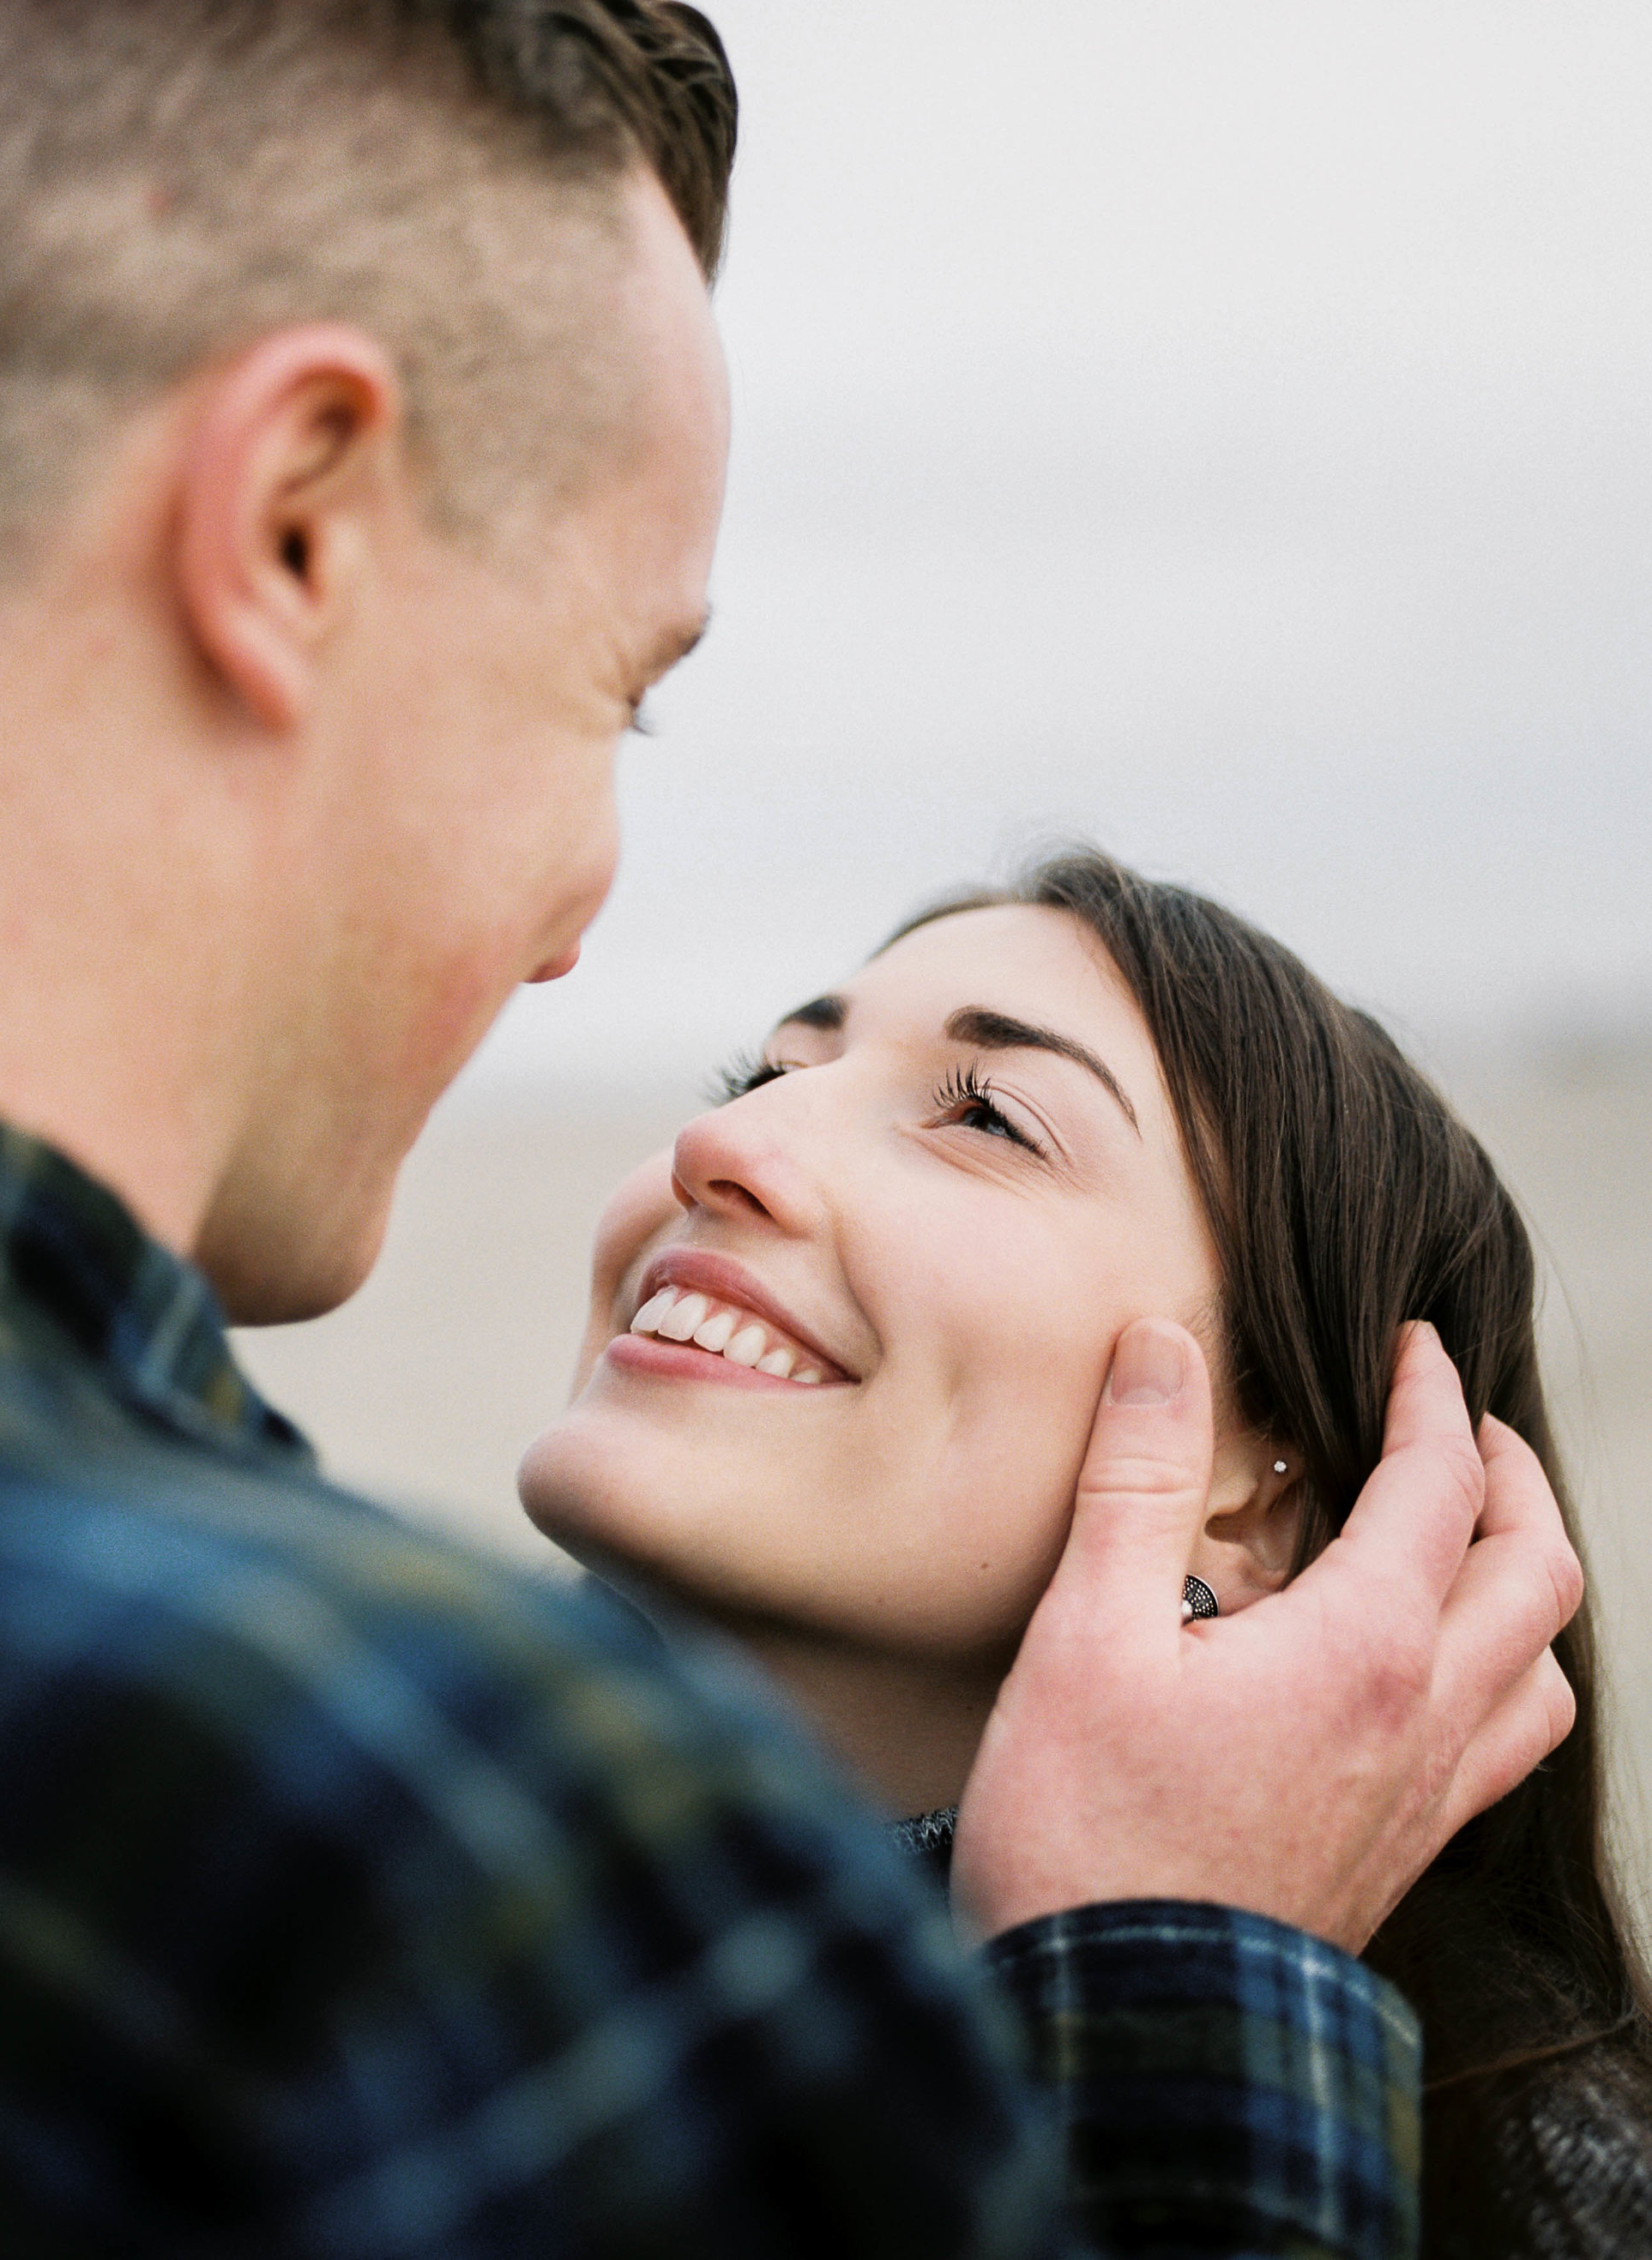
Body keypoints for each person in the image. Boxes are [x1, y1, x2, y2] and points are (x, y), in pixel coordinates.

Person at [0, 0, 1580, 2252]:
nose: (718, 1126)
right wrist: (1199, 1996)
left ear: (1278, 1479)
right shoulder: (441, 1846)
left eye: (982, 1110)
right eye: (616, 690)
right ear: (288, 525)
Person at [521, 849, 1652, 2258]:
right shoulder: (355, 1896)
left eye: (988, 1116)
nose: (722, 1147)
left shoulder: (1535, 2188)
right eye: (762, 1079)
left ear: (1254, 1497)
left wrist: (1168, 1988)